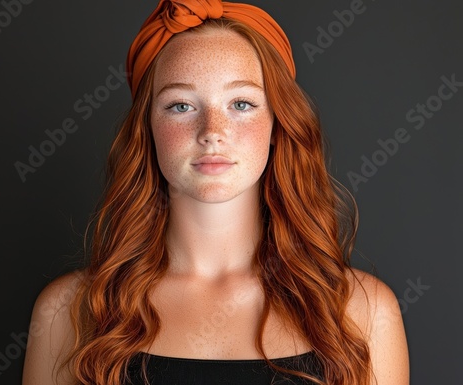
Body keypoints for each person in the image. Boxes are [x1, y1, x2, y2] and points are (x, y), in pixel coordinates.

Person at [22, 1, 409, 384]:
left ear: (277, 124)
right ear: (147, 128)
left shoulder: (365, 312)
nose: (213, 130)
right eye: (181, 105)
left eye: (241, 103)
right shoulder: (66, 312)